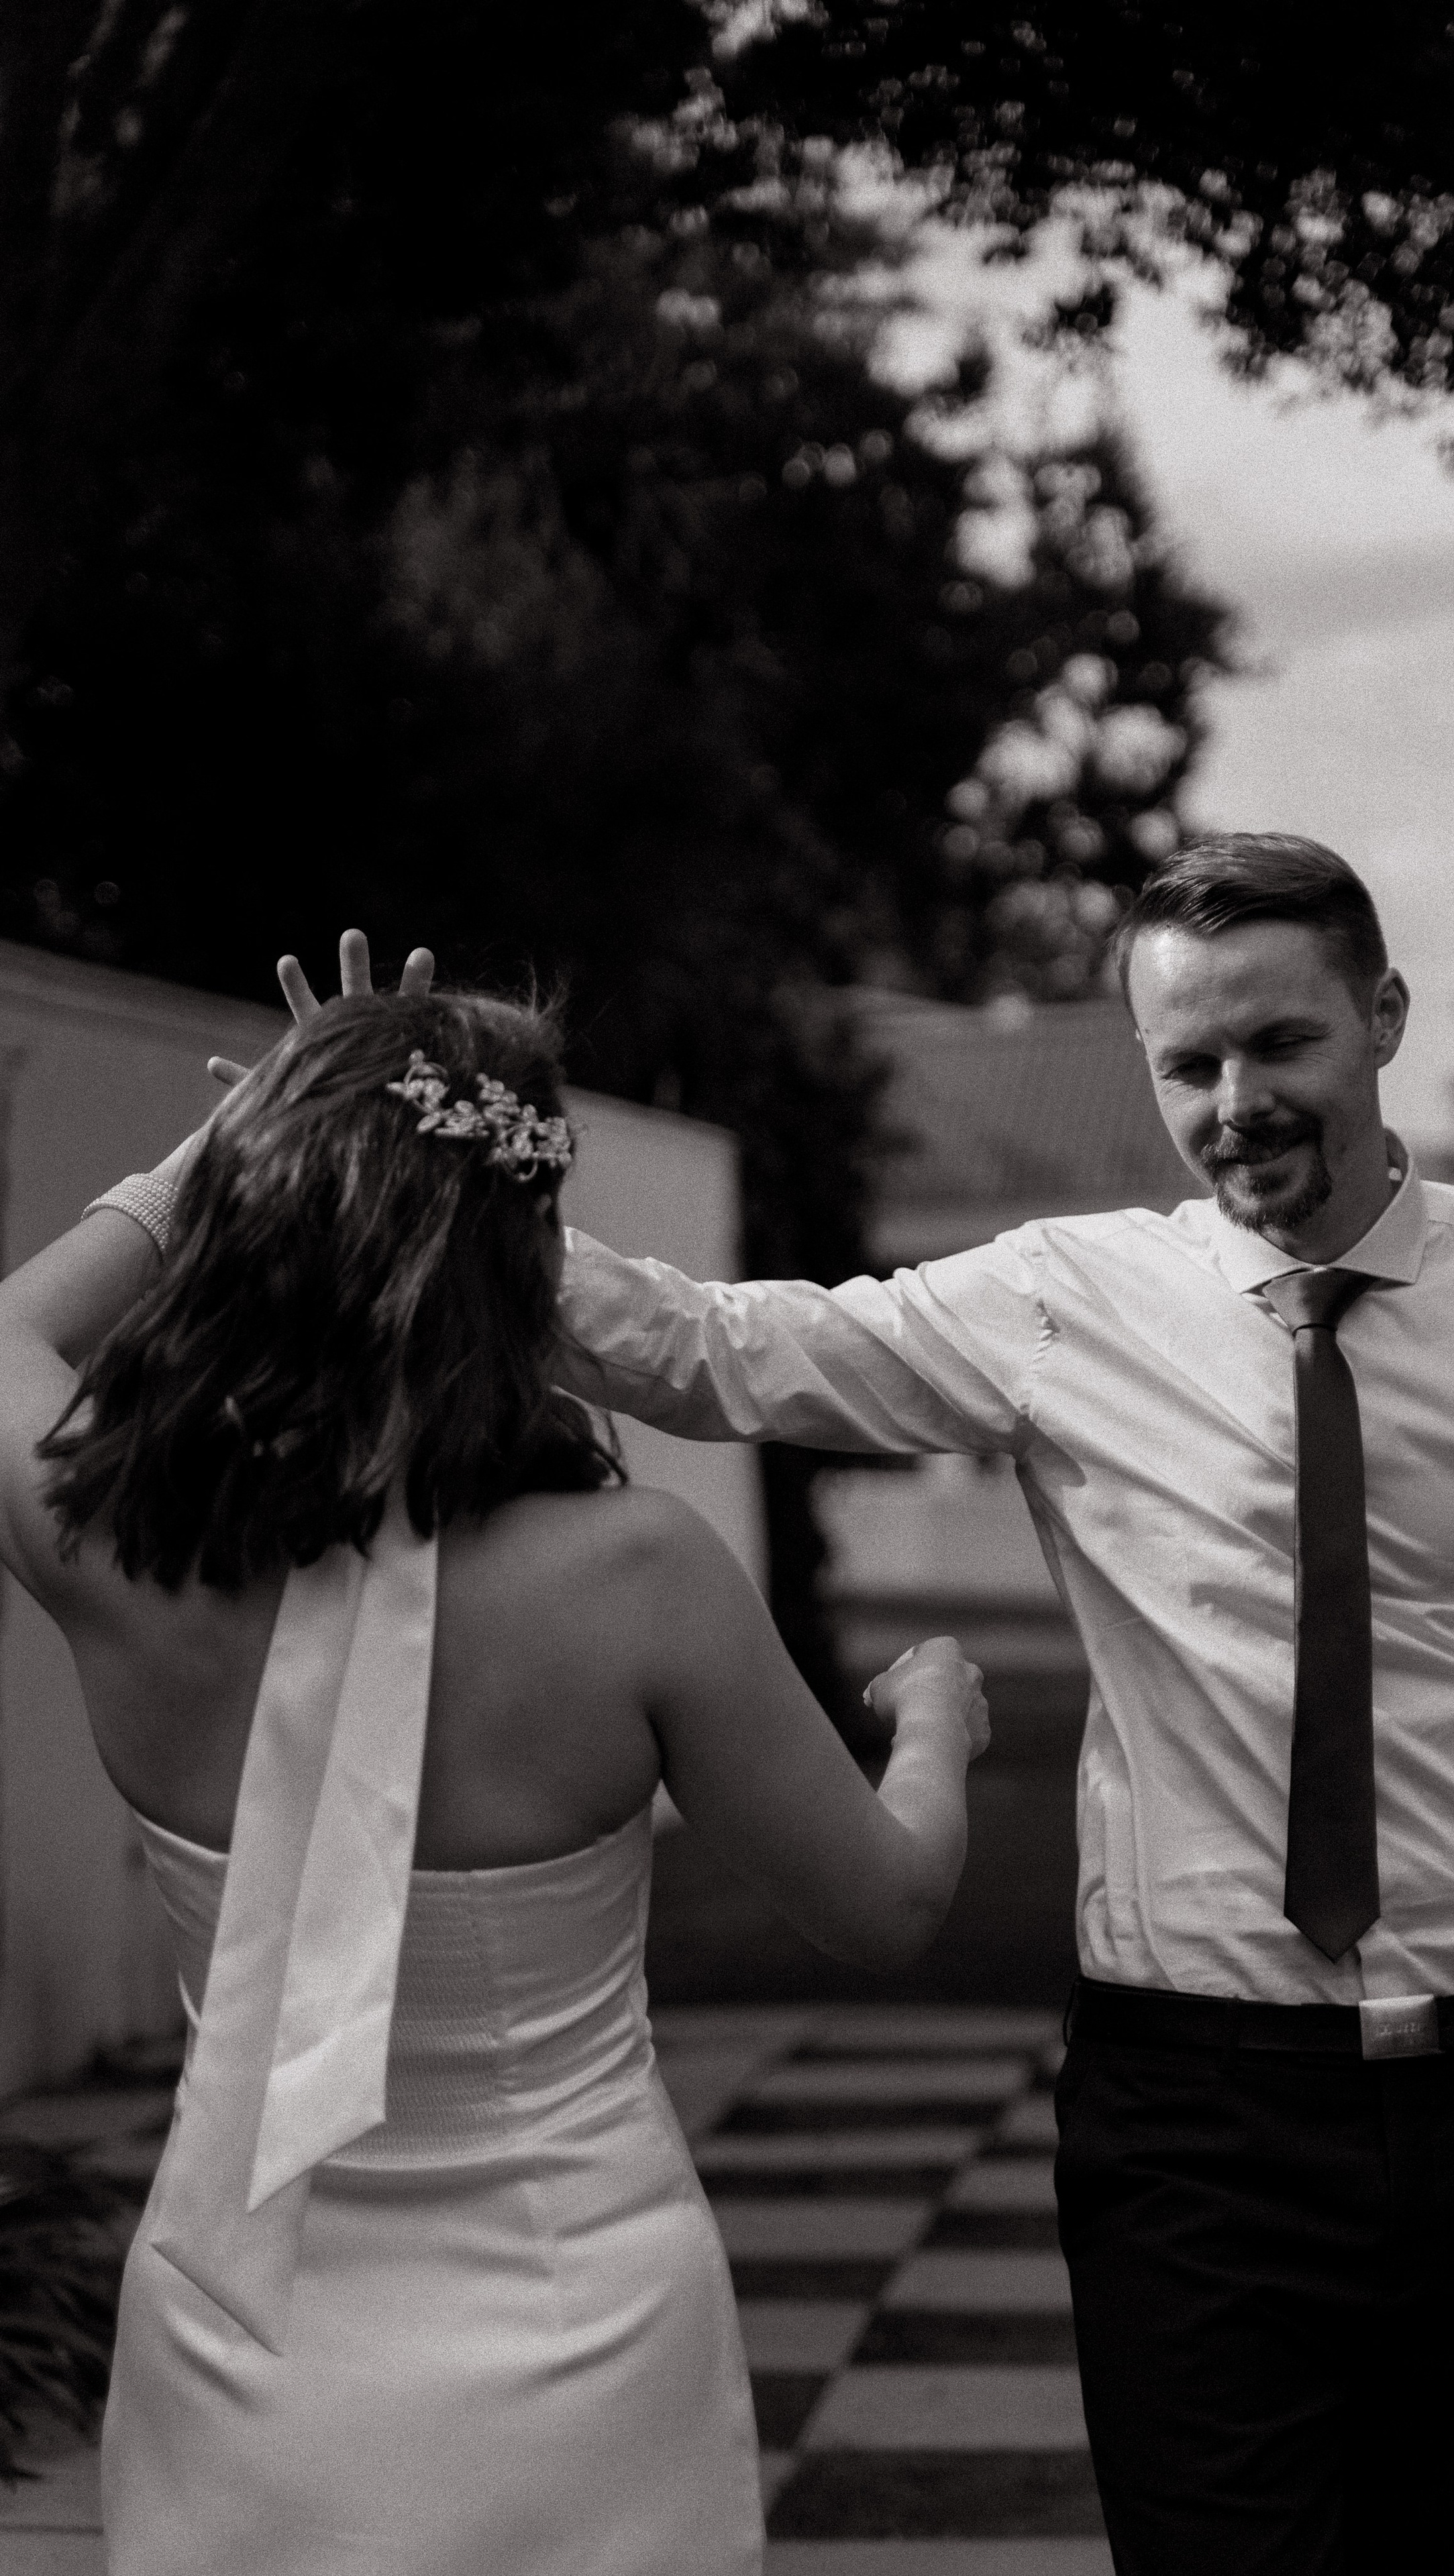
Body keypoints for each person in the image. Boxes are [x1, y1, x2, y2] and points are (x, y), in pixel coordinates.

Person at [530, 834, 1454, 2576]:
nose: (1236, 1101)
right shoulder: (1063, 1302)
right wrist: (439, 1168)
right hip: (1191, 2113)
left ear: (1381, 1017)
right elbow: (718, 1348)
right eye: (1189, 1064)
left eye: (1281, 1044)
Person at [0, 938, 988, 2576]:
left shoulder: (105, 1544)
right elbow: (881, 1908)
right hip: (574, 2330)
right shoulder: (639, 1583)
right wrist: (935, 1730)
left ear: (249, 1220)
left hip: (242, 2337)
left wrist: (236, 1147)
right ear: (524, 1266)